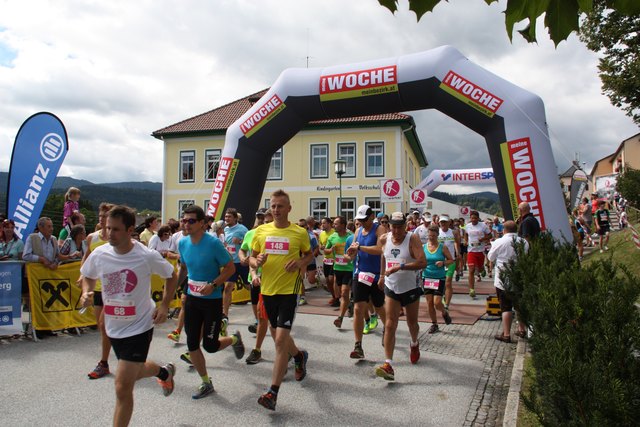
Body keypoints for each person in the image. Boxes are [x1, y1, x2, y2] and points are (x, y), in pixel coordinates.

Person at [79, 205, 178, 427]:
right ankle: (164, 372)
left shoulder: (145, 255)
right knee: (135, 370)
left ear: (130, 229)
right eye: (107, 228)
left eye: (115, 229)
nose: (109, 234)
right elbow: (87, 275)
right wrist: (87, 291)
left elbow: (172, 275)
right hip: (113, 326)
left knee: (123, 386)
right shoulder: (100, 253)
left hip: (139, 326)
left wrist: (164, 306)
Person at [250, 190, 313, 411]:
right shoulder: (261, 231)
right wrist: (255, 260)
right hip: (267, 290)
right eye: (273, 206)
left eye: (280, 206)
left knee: (278, 342)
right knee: (279, 337)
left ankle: (272, 392)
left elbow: (310, 254)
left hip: (289, 290)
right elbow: (251, 256)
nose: (276, 210)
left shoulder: (299, 232)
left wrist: (298, 262)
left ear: (289, 209)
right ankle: (299, 355)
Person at [177, 205, 244, 399]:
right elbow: (183, 268)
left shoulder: (213, 243)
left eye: (191, 221)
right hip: (192, 300)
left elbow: (230, 268)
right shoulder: (182, 243)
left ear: (202, 223)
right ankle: (206, 382)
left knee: (210, 345)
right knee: (191, 344)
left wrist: (213, 285)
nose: (186, 224)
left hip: (211, 301)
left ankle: (234, 339)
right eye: (184, 220)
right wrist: (175, 289)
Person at [375, 212, 426, 381]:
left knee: (412, 323)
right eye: (393, 226)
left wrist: (400, 267)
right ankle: (388, 364)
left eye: (399, 227)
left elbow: (422, 262)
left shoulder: (413, 239)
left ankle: (414, 343)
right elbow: (383, 255)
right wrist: (382, 275)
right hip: (392, 286)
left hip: (410, 286)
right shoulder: (385, 238)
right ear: (389, 225)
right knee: (390, 324)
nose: (396, 230)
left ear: (406, 226)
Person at [345, 205, 387, 359]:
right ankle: (358, 345)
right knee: (358, 308)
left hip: (376, 274)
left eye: (364, 220)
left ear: (371, 217)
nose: (361, 222)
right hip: (360, 273)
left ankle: (387, 330)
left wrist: (361, 247)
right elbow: (354, 250)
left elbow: (380, 249)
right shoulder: (357, 231)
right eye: (359, 220)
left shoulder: (379, 229)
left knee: (379, 306)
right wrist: (350, 253)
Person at [81, 202, 115, 379]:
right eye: (100, 216)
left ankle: (104, 362)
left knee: (106, 326)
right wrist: (83, 277)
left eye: (105, 216)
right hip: (98, 290)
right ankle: (106, 361)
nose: (101, 219)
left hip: (114, 291)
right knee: (102, 328)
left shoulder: (117, 238)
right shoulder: (92, 238)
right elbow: (86, 260)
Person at [239, 208, 273, 364]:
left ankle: (290, 352)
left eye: (266, 219)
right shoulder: (253, 234)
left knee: (271, 321)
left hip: (276, 282)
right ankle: (258, 349)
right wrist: (246, 262)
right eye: (260, 218)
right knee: (261, 317)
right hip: (256, 280)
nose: (262, 221)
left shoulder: (285, 234)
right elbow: (245, 252)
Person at [487, 220, 528, 342]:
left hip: (502, 278)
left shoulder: (499, 242)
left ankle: (506, 334)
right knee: (519, 306)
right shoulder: (524, 242)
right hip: (519, 276)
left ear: (504, 230)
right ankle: (522, 330)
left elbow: (491, 257)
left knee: (506, 307)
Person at [422, 224, 454, 335]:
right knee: (429, 303)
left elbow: (451, 260)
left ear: (437, 235)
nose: (431, 238)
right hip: (427, 277)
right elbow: (420, 260)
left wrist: (443, 262)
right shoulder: (424, 247)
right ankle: (434, 324)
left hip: (439, 278)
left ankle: (444, 312)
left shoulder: (442, 247)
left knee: (437, 302)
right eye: (429, 235)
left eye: (433, 236)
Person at [324, 216, 354, 328]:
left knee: (345, 292)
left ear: (343, 225)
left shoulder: (350, 237)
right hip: (337, 268)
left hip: (349, 269)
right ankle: (350, 303)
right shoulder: (332, 237)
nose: (333, 225)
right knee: (340, 295)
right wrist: (330, 250)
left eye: (336, 224)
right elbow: (326, 251)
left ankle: (340, 318)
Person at [222, 208, 249, 331]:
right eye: (226, 217)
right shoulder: (225, 229)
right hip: (231, 263)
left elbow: (251, 243)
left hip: (242, 263)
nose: (226, 219)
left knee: (249, 286)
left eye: (229, 217)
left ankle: (261, 309)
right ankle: (225, 315)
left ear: (235, 218)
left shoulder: (243, 229)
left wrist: (240, 241)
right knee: (228, 288)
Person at [464, 211, 491, 299]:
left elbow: (490, 235)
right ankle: (471, 289)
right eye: (472, 218)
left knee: (479, 268)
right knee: (471, 270)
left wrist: (482, 239)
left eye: (475, 218)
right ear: (470, 218)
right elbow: (466, 234)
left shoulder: (483, 225)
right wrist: (466, 240)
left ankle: (482, 269)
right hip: (471, 250)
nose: (473, 220)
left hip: (480, 250)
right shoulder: (468, 226)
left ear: (478, 218)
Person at [438, 215, 460, 309]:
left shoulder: (454, 232)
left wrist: (457, 252)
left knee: (448, 282)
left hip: (450, 261)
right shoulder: (437, 232)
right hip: (439, 261)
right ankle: (443, 295)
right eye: (441, 222)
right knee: (441, 283)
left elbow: (456, 243)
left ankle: (446, 304)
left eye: (445, 222)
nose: (443, 224)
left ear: (449, 223)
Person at [318, 217, 338, 306]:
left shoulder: (334, 233)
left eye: (324, 223)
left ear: (329, 224)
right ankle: (334, 296)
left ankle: (337, 297)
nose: (322, 225)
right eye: (321, 223)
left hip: (334, 259)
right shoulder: (321, 234)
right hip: (326, 259)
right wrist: (322, 247)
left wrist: (329, 248)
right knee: (327, 280)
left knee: (331, 279)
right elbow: (320, 244)